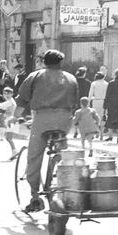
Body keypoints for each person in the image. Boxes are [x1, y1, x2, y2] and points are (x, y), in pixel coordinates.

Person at [13, 49, 79, 212]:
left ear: (44, 62)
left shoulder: (35, 76)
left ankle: (35, 195)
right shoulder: (71, 78)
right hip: (65, 120)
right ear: (60, 62)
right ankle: (58, 181)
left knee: (34, 156)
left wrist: (14, 118)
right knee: (62, 154)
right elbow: (75, 103)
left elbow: (22, 101)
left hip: (43, 119)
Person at [0, 87, 19, 159]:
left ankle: (15, 151)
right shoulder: (9, 101)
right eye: (5, 93)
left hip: (11, 121)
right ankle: (14, 151)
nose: (6, 95)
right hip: (9, 120)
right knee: (8, 138)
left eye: (9, 93)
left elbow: (1, 106)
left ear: (12, 94)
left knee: (9, 138)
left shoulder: (10, 101)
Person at [103, 68, 118, 143]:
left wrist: (105, 105)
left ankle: (110, 136)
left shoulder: (111, 83)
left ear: (115, 74)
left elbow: (107, 94)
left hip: (112, 103)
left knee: (111, 118)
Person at [89, 72, 107, 137]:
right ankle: (101, 134)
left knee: (95, 117)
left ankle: (95, 132)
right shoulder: (106, 84)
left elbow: (90, 94)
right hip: (103, 101)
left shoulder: (94, 84)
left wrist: (88, 102)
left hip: (96, 101)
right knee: (102, 118)